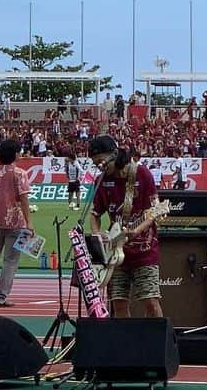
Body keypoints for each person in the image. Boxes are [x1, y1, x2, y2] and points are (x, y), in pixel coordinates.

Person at [87, 135, 164, 318]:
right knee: (118, 303)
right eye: (94, 163)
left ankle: (157, 342)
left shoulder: (141, 173)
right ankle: (125, 343)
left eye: (101, 161)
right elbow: (95, 214)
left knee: (151, 302)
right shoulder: (100, 180)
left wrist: (137, 230)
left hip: (144, 251)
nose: (99, 166)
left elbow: (155, 210)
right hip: (115, 253)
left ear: (114, 154)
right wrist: (97, 235)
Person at [0, 139, 33, 308]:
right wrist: (30, 224)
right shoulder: (20, 173)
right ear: (15, 154)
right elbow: (24, 198)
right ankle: (1, 297)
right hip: (17, 224)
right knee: (10, 261)